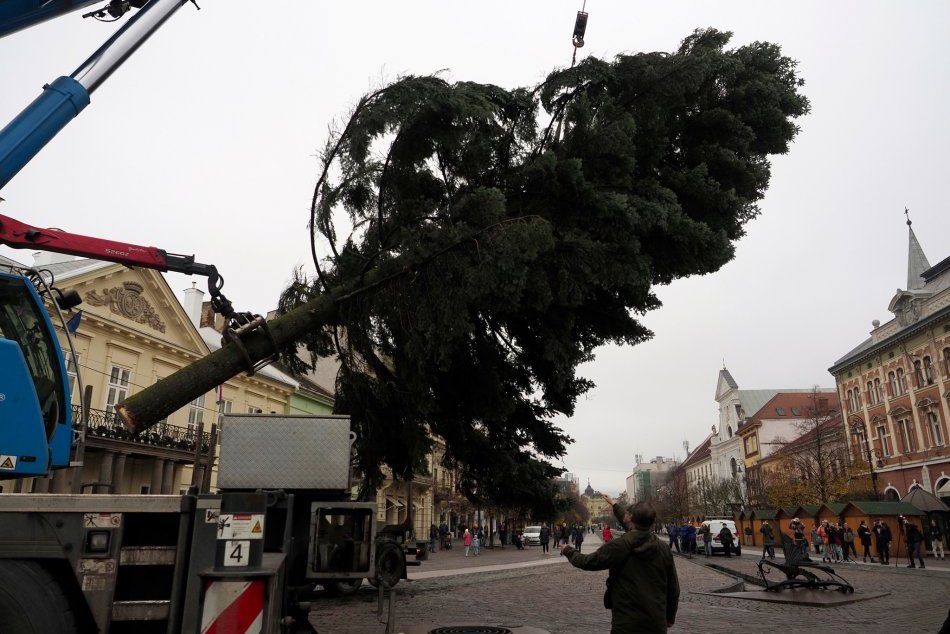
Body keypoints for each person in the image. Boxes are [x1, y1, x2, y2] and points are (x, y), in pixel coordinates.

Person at [560, 496, 679, 634]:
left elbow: (588, 562)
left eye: (628, 514)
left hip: (626, 623)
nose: (626, 516)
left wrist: (568, 550)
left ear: (631, 518)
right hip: (656, 623)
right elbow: (673, 589)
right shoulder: (663, 549)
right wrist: (669, 617)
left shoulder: (619, 546)